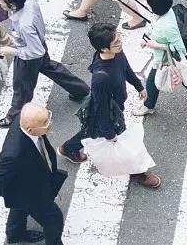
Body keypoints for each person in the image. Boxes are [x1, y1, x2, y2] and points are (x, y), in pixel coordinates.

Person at [58, 23, 162, 189]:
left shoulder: (116, 53)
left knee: (91, 131)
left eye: (119, 38)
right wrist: (110, 133)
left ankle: (68, 148)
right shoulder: (100, 78)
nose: (120, 43)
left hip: (114, 105)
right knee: (122, 141)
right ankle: (138, 172)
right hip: (110, 112)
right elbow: (101, 108)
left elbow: (126, 68)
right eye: (116, 42)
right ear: (103, 48)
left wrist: (139, 86)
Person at [0, 0, 89, 127]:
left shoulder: (24, 25)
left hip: (29, 55)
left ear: (12, 5)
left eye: (1, 1)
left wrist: (11, 51)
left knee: (22, 86)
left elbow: (35, 52)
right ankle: (80, 89)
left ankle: (15, 115)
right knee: (50, 68)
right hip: (39, 43)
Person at [0, 103, 67, 245]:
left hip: (23, 182)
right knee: (54, 220)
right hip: (30, 190)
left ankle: (15, 234)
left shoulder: (24, 120)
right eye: (45, 122)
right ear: (30, 129)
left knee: (19, 205)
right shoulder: (13, 154)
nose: (50, 122)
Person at [134, 0, 187, 114]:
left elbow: (178, 47)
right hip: (162, 57)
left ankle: (148, 106)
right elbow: (154, 26)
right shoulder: (167, 13)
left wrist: (155, 45)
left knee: (153, 81)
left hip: (164, 58)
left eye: (148, 3)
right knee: (183, 77)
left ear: (155, 7)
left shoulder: (167, 27)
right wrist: (146, 37)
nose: (146, 4)